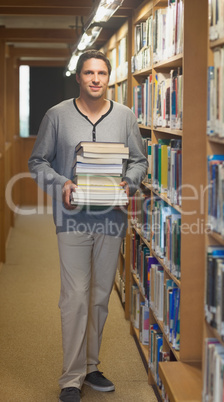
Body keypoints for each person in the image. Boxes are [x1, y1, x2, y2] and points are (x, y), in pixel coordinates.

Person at [28, 49, 148, 402]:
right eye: (88, 73)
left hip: (111, 218)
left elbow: (139, 160)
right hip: (72, 219)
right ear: (78, 77)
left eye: (101, 73)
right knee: (75, 296)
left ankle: (91, 365)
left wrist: (131, 181)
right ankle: (71, 377)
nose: (95, 79)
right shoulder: (57, 116)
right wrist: (60, 184)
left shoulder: (125, 117)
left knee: (98, 297)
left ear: (108, 78)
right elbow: (37, 161)